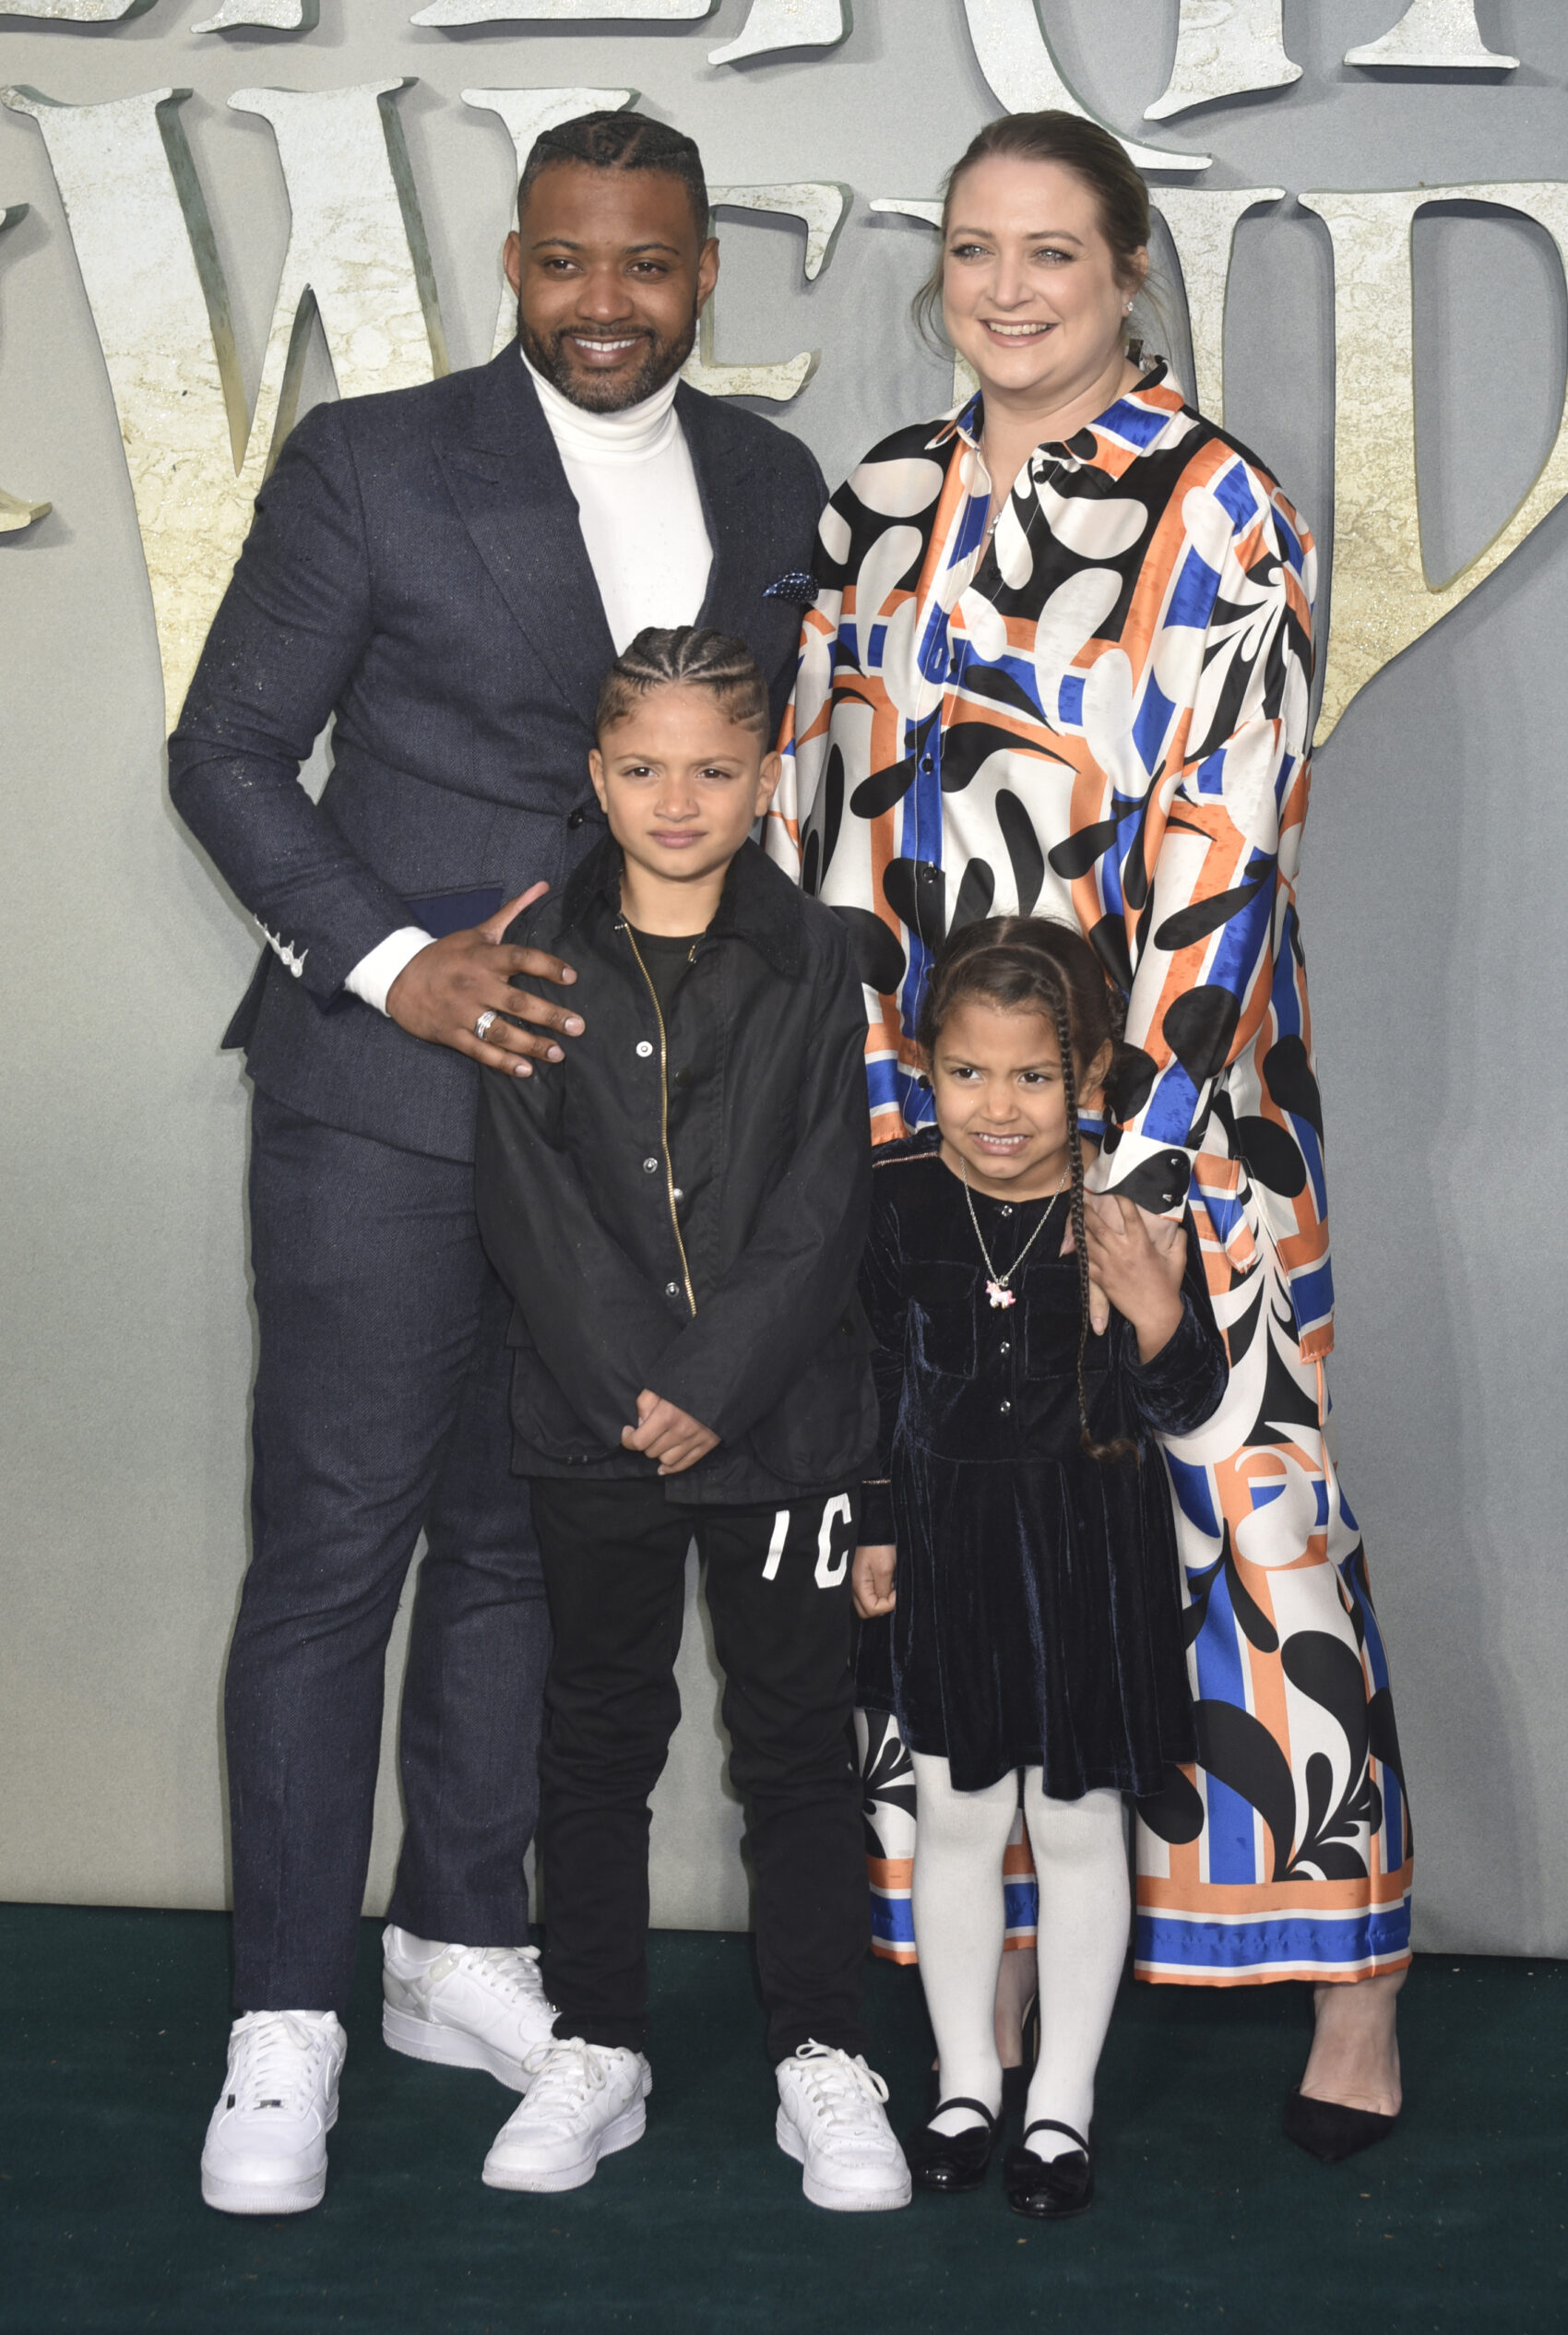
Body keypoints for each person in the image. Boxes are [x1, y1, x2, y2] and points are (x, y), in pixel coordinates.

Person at [169, 110, 827, 2215]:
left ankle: (458, 1944)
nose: (605, 302)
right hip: (384, 1095)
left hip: (629, 1144)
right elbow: (226, 751)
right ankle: (285, 2014)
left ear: (704, 270)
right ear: (514, 267)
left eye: (646, 264)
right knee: (336, 1546)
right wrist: (385, 965)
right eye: (564, 263)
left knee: (528, 1544)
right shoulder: (374, 458)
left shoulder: (769, 484)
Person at [769, 108, 1411, 2162]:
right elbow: (812, 811)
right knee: (961, 1531)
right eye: (974, 248)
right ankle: (1009, 1958)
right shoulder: (872, 501)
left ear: (1127, 267)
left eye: (1053, 250)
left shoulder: (1224, 507)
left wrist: (1133, 1164)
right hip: (918, 1137)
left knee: (1240, 1519)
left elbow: (1236, 832)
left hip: (1169, 1129)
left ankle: (1356, 1974)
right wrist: (836, 1116)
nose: (1009, 286)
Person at [471, 626, 910, 2213]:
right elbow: (526, 1202)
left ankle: (820, 2053)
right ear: (597, 778)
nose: (678, 798)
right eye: (643, 768)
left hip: (782, 1432)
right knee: (596, 1735)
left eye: (715, 769)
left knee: (796, 1747)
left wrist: (714, 1388)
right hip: (594, 1436)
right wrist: (633, 1392)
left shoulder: (821, 963)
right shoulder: (531, 955)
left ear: (768, 778)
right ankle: (596, 2042)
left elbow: (821, 1204)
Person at [853, 918, 1225, 2213]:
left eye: (1030, 1078)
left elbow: (1186, 1398)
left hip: (1088, 1552)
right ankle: (967, 2079)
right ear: (924, 1066)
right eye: (966, 1074)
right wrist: (877, 1523)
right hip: (950, 1548)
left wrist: (1161, 1307)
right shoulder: (896, 1199)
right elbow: (869, 1382)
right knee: (954, 1818)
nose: (997, 1109)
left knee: (1076, 1826)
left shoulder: (1130, 1212)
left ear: (1091, 1081)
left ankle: (1059, 2104)